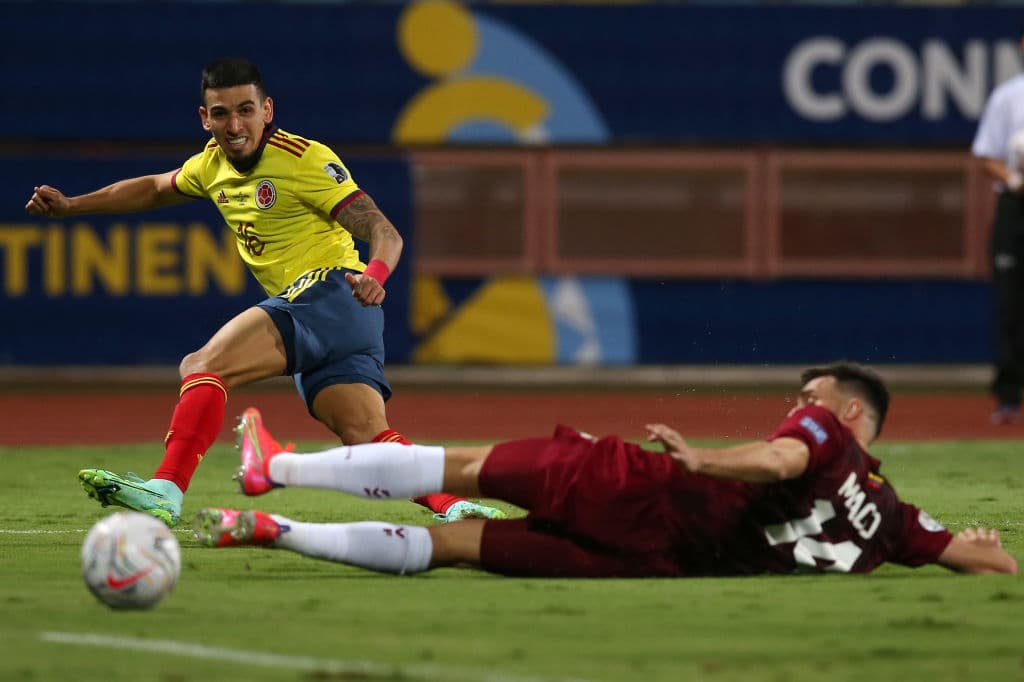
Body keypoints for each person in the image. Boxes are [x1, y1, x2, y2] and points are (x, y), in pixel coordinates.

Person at [24, 57, 502, 526]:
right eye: (221, 113)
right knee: (366, 437)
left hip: (334, 292)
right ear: (204, 119)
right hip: (343, 322)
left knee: (203, 365)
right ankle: (455, 506)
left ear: (267, 110)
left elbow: (383, 229)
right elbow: (153, 187)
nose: (235, 125)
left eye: (245, 110)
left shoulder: (305, 159)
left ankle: (166, 488)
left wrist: (376, 272)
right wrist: (72, 206)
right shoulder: (210, 166)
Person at [193, 362, 1018, 577]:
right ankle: (277, 532)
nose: (797, 400)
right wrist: (980, 543)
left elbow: (781, 456)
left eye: (811, 392)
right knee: (460, 548)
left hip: (646, 492)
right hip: (665, 565)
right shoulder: (892, 520)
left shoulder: (824, 434)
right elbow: (990, 559)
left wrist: (700, 458)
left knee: (471, 468)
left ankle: (281, 470)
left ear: (846, 412)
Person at [972, 31, 1024, 425]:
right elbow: (987, 156)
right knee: (1010, 305)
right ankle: (1008, 397)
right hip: (1016, 207)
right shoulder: (1008, 97)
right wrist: (1014, 178)